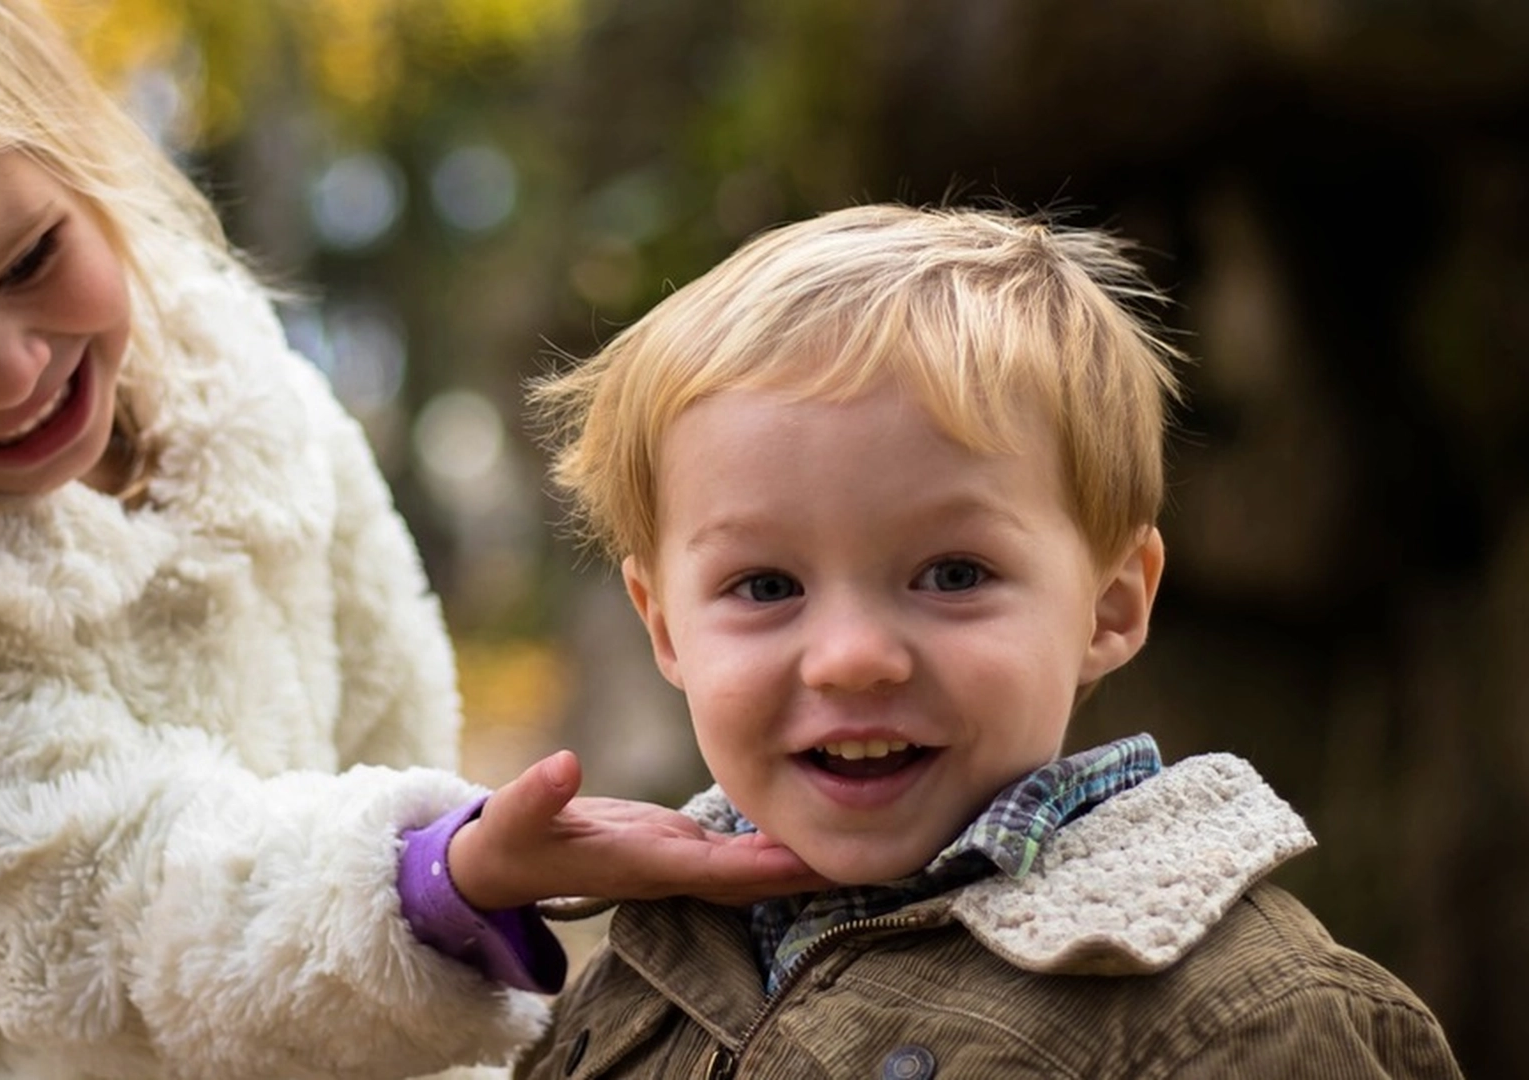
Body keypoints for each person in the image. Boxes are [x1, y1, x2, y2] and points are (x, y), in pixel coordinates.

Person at [0, 2, 821, 1077]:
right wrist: (424, 888)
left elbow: (382, 698)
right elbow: (103, 917)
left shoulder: (235, 389)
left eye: (31, 260)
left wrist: (441, 895)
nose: (11, 374)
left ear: (83, 164)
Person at [511, 203, 1467, 1078]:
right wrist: (440, 890)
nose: (851, 657)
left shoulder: (1240, 1017)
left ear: (1111, 607)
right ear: (665, 628)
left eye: (954, 575)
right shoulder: (644, 962)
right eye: (766, 586)